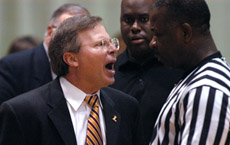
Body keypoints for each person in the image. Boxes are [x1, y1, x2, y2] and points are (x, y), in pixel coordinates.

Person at [0, 15, 143, 145]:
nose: (113, 49)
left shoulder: (126, 107)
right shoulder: (23, 112)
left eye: (112, 43)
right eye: (101, 44)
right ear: (71, 59)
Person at [149, 0, 230, 144]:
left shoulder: (205, 90)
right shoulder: (197, 78)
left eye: (158, 34)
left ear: (185, 32)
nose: (152, 43)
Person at [109, 0, 183, 143]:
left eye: (144, 19)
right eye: (128, 20)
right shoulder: (108, 73)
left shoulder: (178, 70)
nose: (135, 27)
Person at [0, 3, 90, 105]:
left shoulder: (91, 67)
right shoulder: (12, 66)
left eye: (85, 36)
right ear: (50, 32)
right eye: (70, 34)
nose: (77, 42)